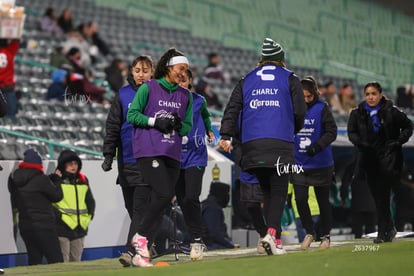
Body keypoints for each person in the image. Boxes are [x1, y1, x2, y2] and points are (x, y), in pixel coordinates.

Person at [219, 37, 306, 255]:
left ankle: (272, 238)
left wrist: (226, 135)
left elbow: (231, 109)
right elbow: (299, 112)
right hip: (279, 142)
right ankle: (272, 234)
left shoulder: (246, 79)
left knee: (268, 192)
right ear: (280, 60)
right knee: (278, 191)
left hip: (251, 145)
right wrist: (290, 129)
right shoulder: (290, 78)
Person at [126, 48, 193, 267]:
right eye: (180, 69)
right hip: (149, 150)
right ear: (168, 67)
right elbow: (132, 114)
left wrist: (177, 124)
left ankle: (140, 251)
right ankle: (141, 237)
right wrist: (156, 122)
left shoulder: (185, 96)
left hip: (172, 153)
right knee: (163, 193)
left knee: (163, 199)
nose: (184, 73)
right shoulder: (148, 88)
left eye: (186, 70)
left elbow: (187, 128)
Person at [102, 55, 153, 267]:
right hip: (125, 161)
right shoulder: (122, 95)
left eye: (145, 70)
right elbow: (113, 126)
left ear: (152, 72)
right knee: (132, 210)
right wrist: (108, 155)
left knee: (140, 210)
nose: (141, 74)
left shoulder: (157, 94)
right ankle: (146, 245)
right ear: (131, 72)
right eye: (137, 70)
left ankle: (130, 251)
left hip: (147, 160)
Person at [347, 81, 413, 243]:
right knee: (378, 196)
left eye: (373, 94)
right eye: (367, 94)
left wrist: (397, 141)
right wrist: (360, 143)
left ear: (380, 95)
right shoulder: (357, 112)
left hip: (389, 159)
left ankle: (382, 232)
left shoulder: (391, 111)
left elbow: (408, 126)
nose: (370, 97)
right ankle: (389, 228)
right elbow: (352, 132)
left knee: (382, 196)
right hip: (369, 160)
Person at [291, 76, 337, 250]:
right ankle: (310, 232)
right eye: (302, 97)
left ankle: (325, 236)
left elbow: (331, 132)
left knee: (322, 201)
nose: (305, 100)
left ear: (314, 94)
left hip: (320, 163)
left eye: (308, 97)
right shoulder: (292, 109)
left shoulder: (322, 108)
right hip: (299, 164)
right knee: (300, 199)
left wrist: (317, 146)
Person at [176, 69, 214, 260]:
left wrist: (210, 131)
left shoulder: (199, 100)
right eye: (178, 79)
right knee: (183, 201)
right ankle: (194, 239)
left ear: (190, 81)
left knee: (192, 197)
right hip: (175, 158)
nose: (181, 82)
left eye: (185, 80)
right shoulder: (169, 101)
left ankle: (197, 240)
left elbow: (206, 116)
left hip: (196, 156)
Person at [8, 149, 63, 265]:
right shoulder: (42, 179)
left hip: (25, 225)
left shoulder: (14, 179)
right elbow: (57, 196)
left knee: (34, 259)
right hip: (44, 225)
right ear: (38, 164)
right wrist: (57, 180)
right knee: (55, 259)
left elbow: (31, 184)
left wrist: (49, 178)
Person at [51, 150, 95, 262]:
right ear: (63, 165)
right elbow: (51, 202)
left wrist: (89, 217)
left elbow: (90, 201)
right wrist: (59, 218)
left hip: (79, 229)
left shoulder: (83, 180)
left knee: (76, 262)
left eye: (75, 163)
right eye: (70, 163)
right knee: (63, 262)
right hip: (62, 228)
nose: (73, 166)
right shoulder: (55, 180)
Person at [340, 156, 376, 238]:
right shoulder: (374, 166)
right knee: (371, 229)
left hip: (357, 202)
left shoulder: (351, 167)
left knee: (357, 229)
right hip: (372, 202)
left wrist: (343, 198)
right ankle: (371, 248)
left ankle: (359, 245)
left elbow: (344, 184)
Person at [201, 181, 238, 250]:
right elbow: (214, 233)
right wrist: (230, 245)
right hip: (210, 245)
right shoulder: (212, 208)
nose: (228, 196)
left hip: (209, 243)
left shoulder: (208, 204)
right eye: (227, 193)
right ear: (221, 193)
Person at [0, 39, 19, 117]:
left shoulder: (9, 50)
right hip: (8, 88)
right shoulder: (9, 51)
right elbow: (16, 40)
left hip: (5, 89)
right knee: (10, 115)